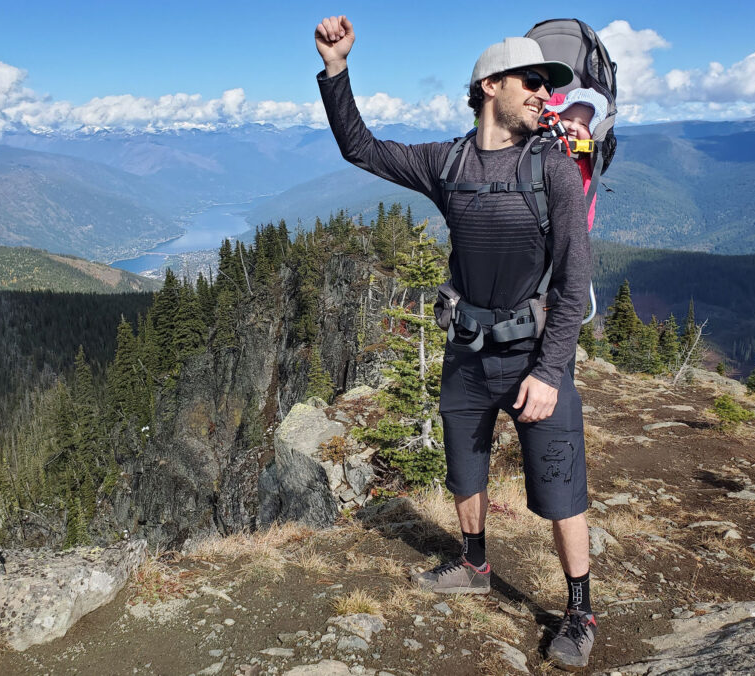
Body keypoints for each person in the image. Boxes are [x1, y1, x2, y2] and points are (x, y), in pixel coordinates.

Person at [315, 16, 596, 668]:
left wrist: (551, 373)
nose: (543, 94)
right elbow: (361, 148)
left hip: (532, 358)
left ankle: (579, 609)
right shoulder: (447, 163)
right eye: (531, 82)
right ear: (489, 84)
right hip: (467, 353)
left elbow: (575, 277)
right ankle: (473, 563)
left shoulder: (552, 167)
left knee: (560, 487)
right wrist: (336, 69)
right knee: (463, 470)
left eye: (548, 85)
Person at [545, 88, 609, 231]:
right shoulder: (542, 147)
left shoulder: (585, 167)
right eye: (567, 119)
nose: (573, 127)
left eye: (584, 125)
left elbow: (585, 212)